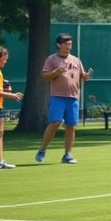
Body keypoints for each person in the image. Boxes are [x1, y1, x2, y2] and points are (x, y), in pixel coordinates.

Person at [36, 33, 92, 165]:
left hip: (73, 98)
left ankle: (67, 155)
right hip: (58, 97)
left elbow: (82, 76)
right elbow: (44, 76)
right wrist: (56, 72)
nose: (69, 46)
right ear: (59, 45)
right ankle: (42, 149)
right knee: (55, 122)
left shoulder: (76, 60)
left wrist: (86, 76)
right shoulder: (52, 59)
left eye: (70, 44)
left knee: (71, 126)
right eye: (66, 44)